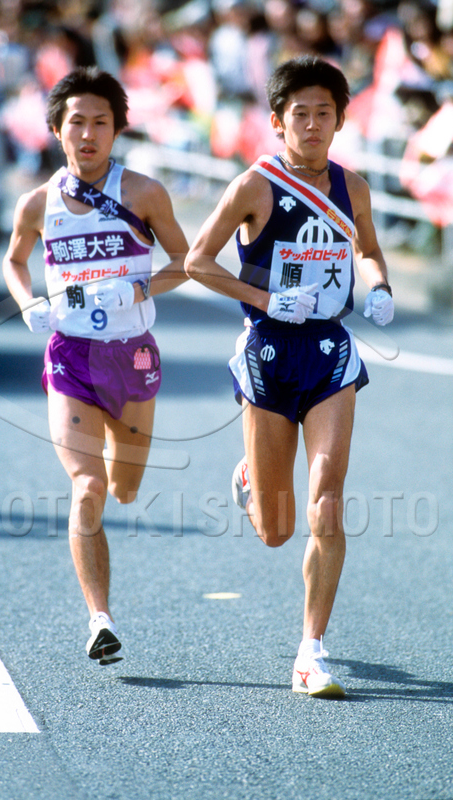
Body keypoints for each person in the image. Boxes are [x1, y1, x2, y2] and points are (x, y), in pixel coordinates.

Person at [185, 55, 394, 698]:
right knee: (276, 529)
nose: (311, 124)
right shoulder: (253, 186)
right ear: (278, 122)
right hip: (269, 350)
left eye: (323, 113)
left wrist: (378, 284)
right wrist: (267, 300)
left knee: (327, 493)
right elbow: (196, 261)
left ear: (338, 120)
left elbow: (366, 248)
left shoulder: (352, 187)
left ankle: (311, 650)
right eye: (298, 114)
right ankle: (250, 476)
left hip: (329, 349)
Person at [3, 66, 188, 665]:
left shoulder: (144, 193)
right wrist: (28, 300)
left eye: (100, 122)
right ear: (56, 129)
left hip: (131, 357)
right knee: (89, 486)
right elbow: (14, 261)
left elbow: (188, 262)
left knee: (126, 490)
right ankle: (99, 619)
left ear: (117, 129)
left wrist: (138, 291)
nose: (88, 133)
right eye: (76, 121)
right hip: (71, 359)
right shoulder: (37, 204)